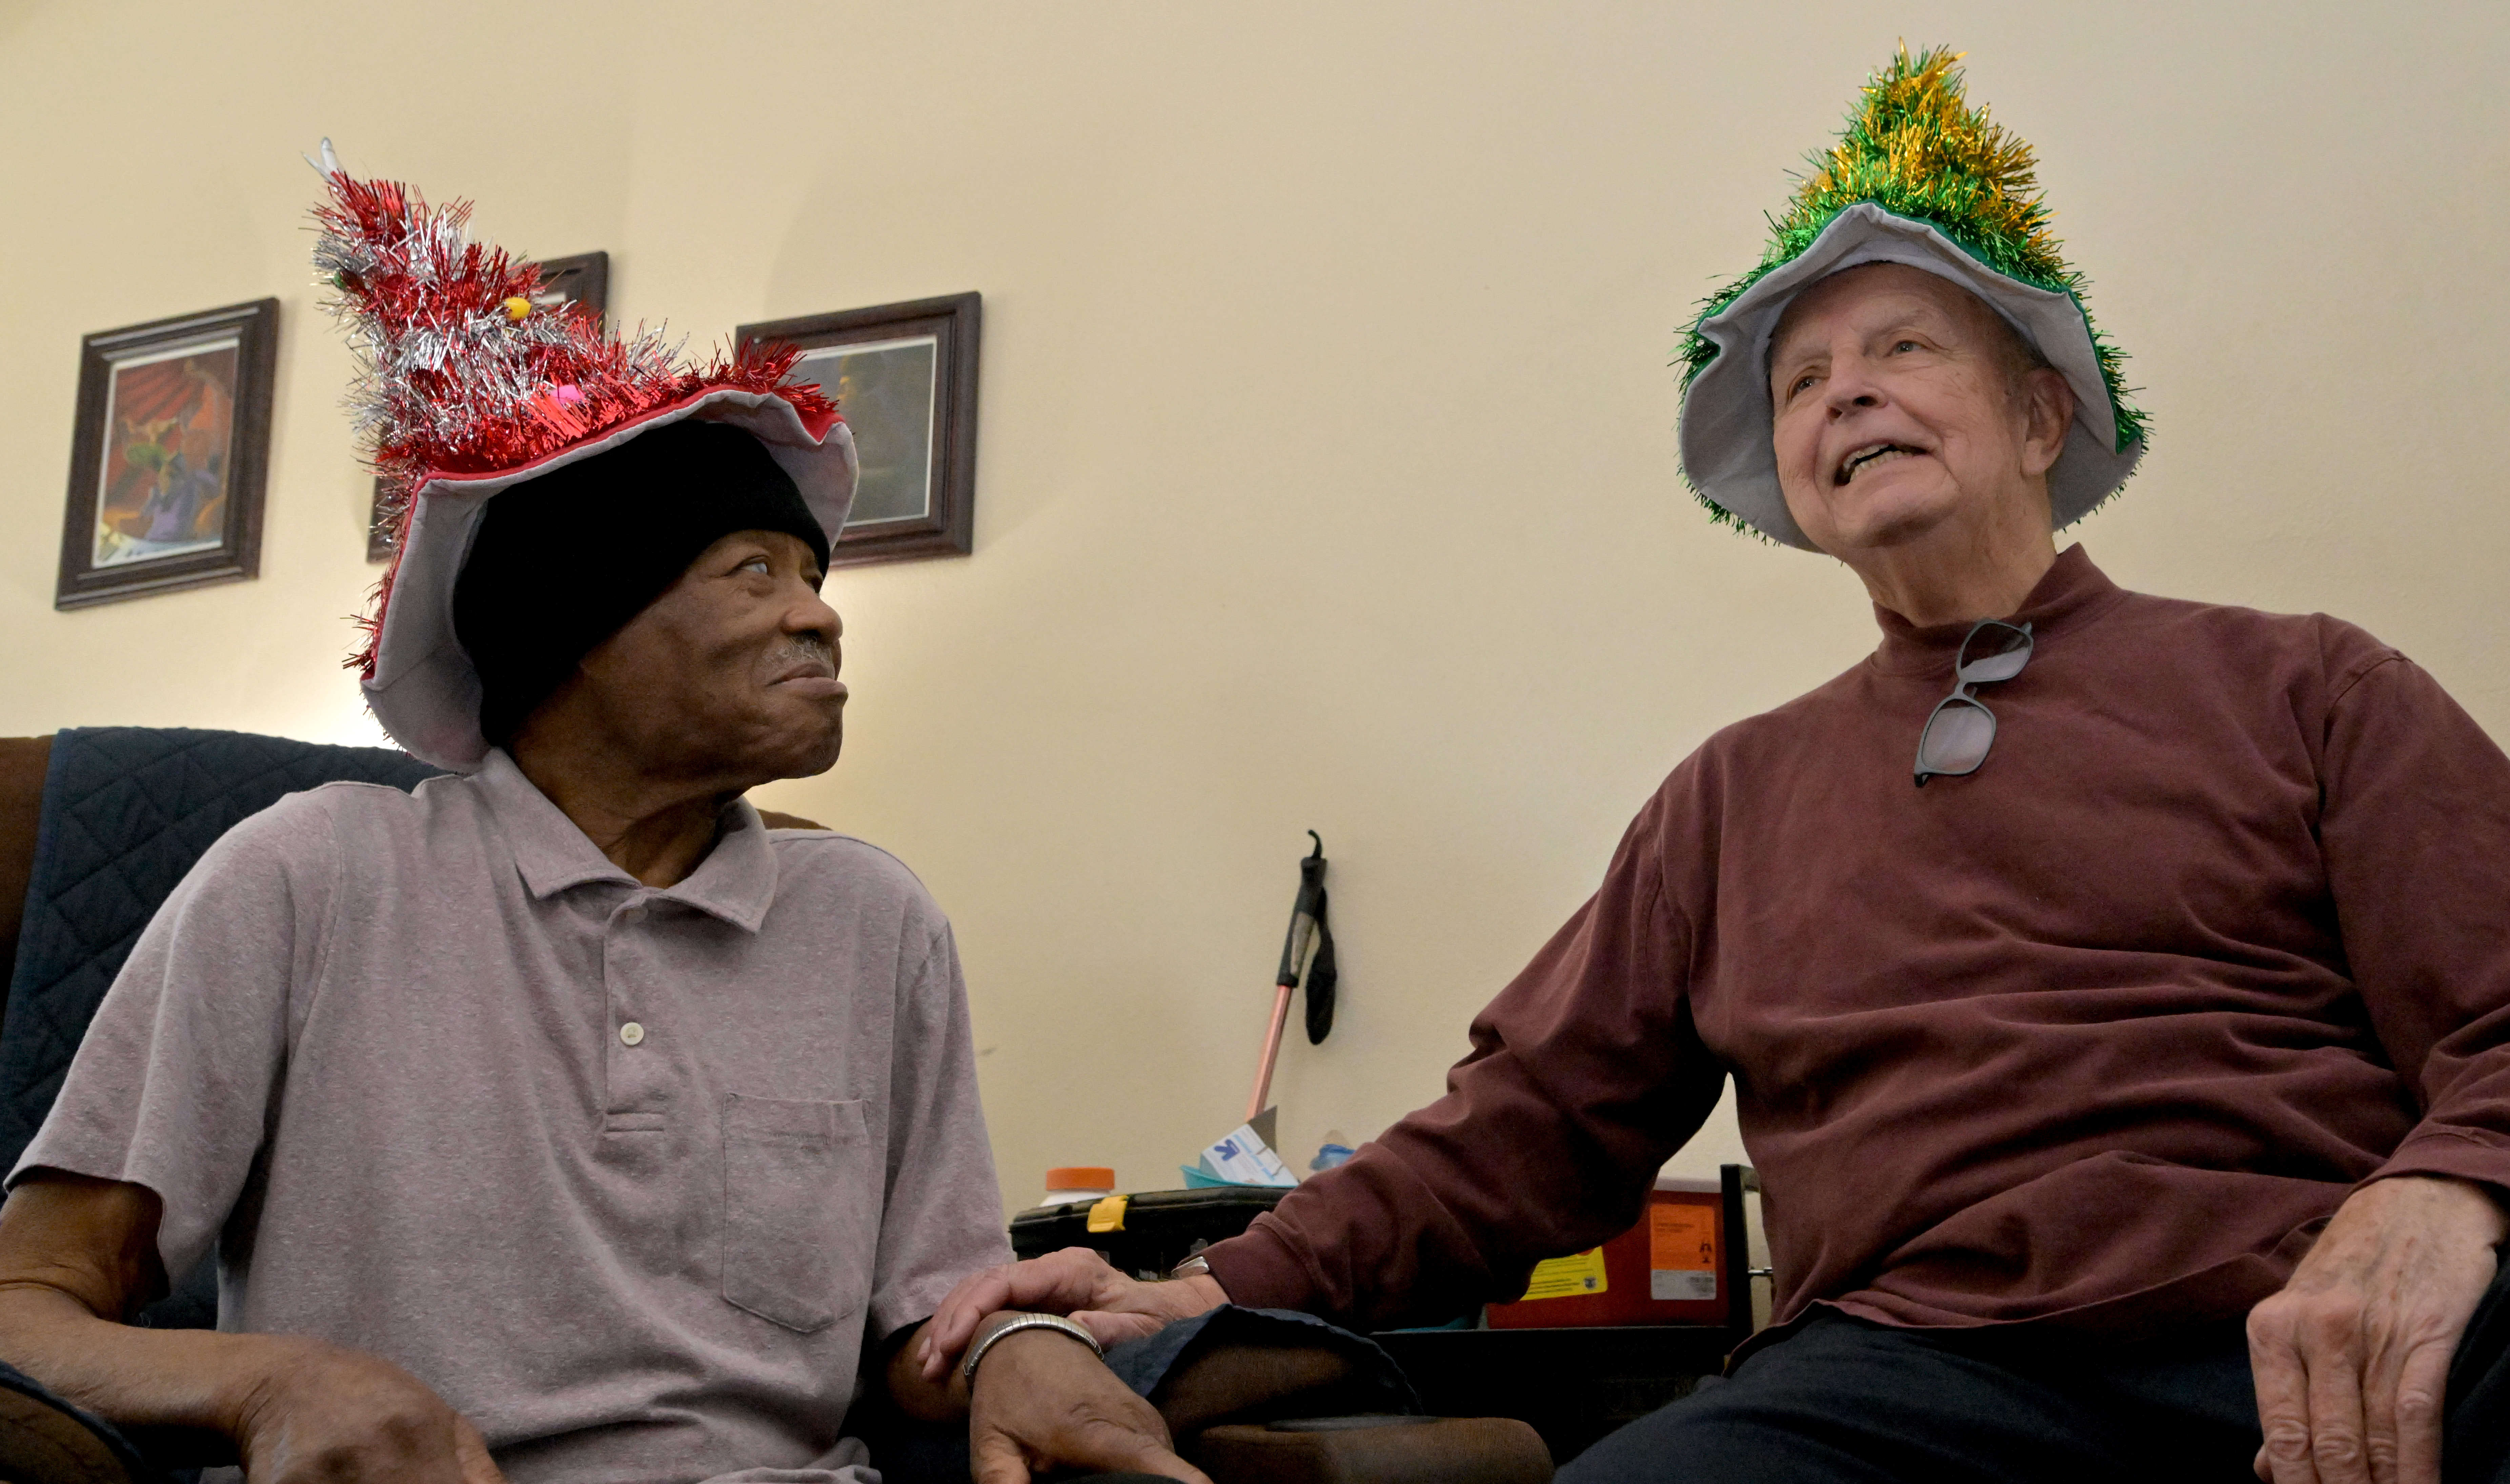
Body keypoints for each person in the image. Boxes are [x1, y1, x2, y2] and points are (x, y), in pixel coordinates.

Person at [917, 49, 2510, 1484]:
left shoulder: (2304, 682)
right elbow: (1522, 1127)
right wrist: (1207, 1286)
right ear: (1794, 486)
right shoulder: (1731, 798)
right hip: (1906, 1375)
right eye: (1804, 384)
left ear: (2041, 417)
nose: (1846, 394)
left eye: (1899, 348)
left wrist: (2444, 1196)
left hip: (2308, 1314)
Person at [0, 151, 1206, 1484]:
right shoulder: (313, 876)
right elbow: (25, 1306)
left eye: (813, 574)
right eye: (755, 572)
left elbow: (935, 1317)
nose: (820, 612)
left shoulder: (875, 918)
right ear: (579, 633)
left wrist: (1011, 1350)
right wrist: (271, 1383)